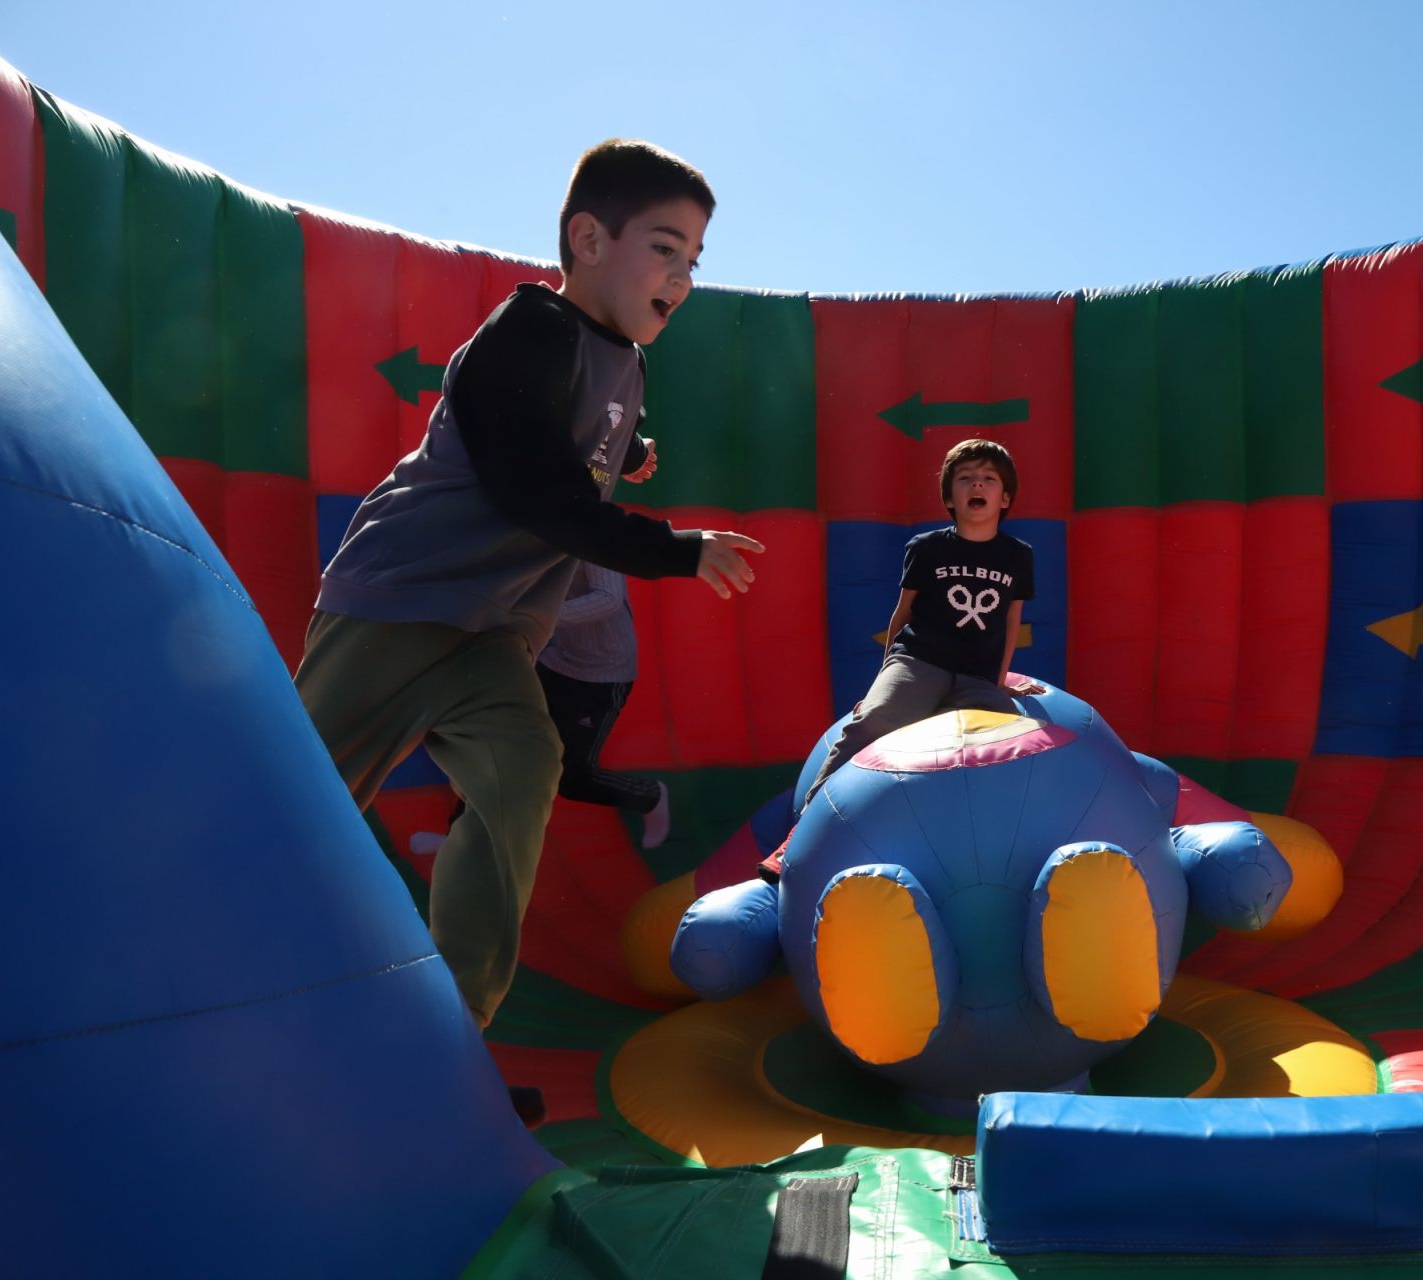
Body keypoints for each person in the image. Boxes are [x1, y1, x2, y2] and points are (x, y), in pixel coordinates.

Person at [294, 140, 761, 1122]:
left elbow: (587, 433)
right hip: (399, 603)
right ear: (588, 238)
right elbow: (537, 489)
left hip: (496, 633)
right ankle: (215, 992)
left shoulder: (622, 359)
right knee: (301, 808)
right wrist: (673, 547)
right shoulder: (526, 331)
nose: (683, 278)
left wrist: (630, 449)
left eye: (696, 260)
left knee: (520, 773)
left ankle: (444, 1043)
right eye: (667, 249)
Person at [800, 438, 1043, 805]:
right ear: (949, 498)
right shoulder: (927, 547)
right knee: (876, 721)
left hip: (975, 675)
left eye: (988, 478)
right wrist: (881, 684)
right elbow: (903, 613)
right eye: (965, 478)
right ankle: (811, 818)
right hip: (919, 662)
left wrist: (998, 682)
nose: (977, 484)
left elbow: (1011, 620)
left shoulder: (1018, 556)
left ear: (1005, 499)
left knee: (1009, 735)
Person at [535, 560, 671, 847]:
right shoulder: (525, 528)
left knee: (572, 778)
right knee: (502, 742)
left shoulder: (588, 527)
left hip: (601, 672)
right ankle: (461, 832)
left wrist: (538, 614)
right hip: (554, 656)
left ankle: (650, 796)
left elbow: (608, 598)